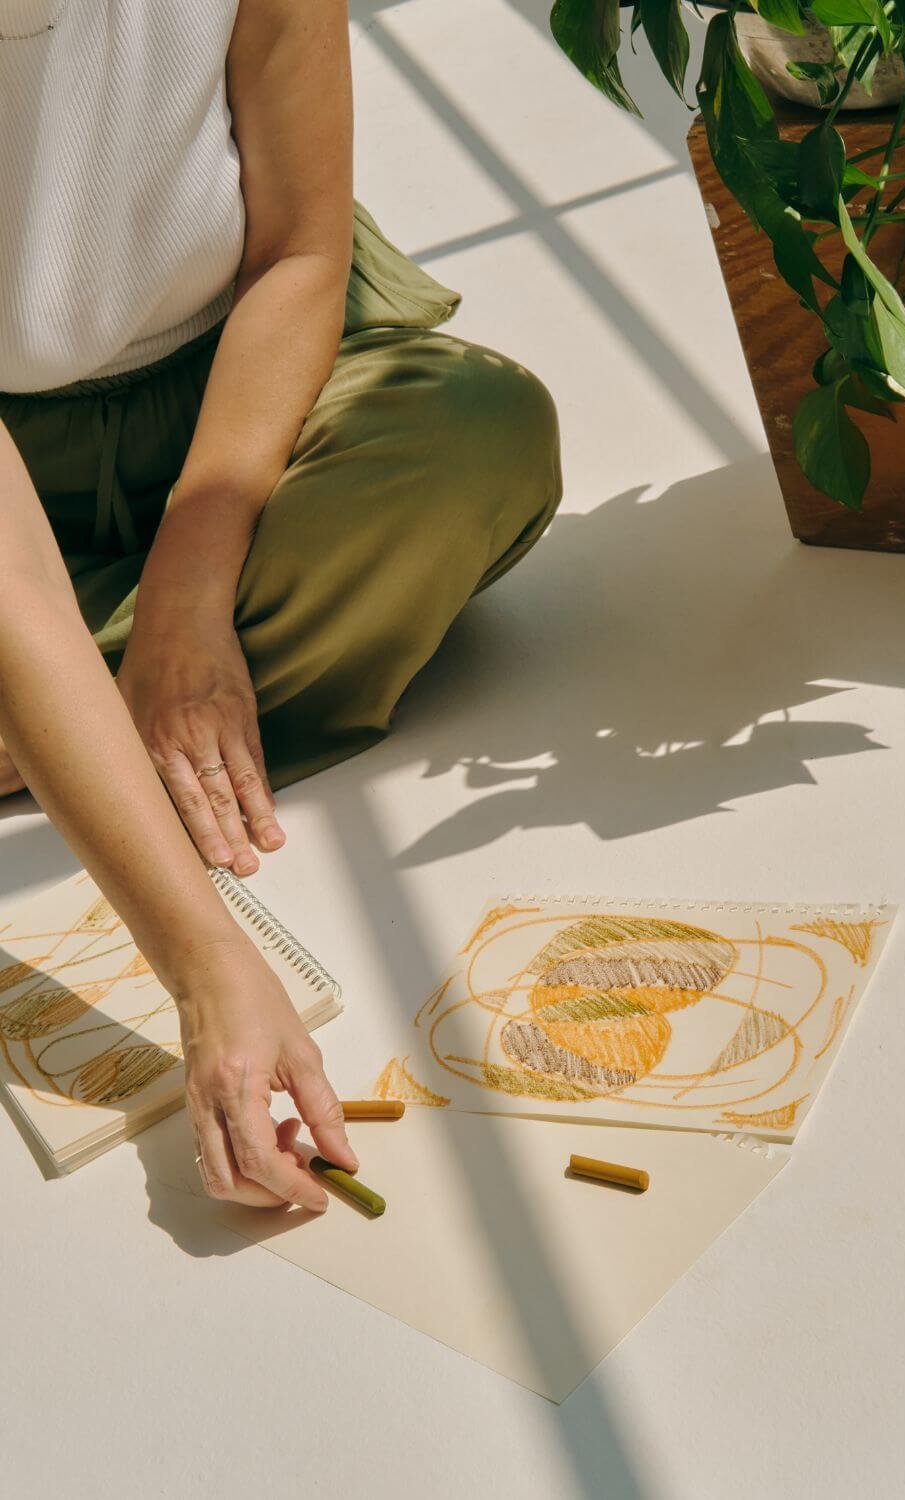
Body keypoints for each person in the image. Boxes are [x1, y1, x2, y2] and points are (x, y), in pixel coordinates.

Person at [0, 1, 562, 1208]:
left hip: (244, 383)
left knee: (473, 440)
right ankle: (80, 721)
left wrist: (187, 605)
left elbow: (300, 252)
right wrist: (205, 967)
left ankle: (56, 734)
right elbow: (9, 576)